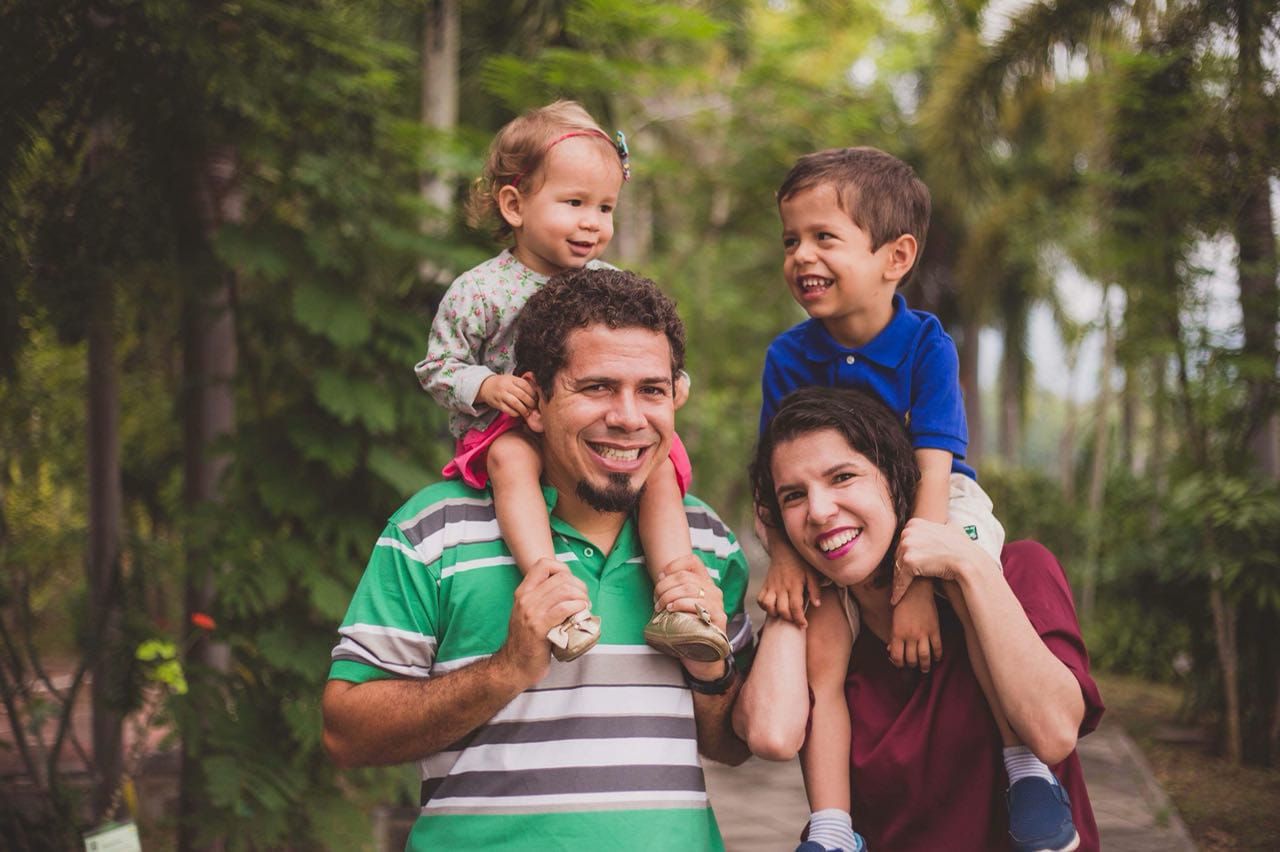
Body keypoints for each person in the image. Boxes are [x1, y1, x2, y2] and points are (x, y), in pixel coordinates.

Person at [325, 269, 754, 851]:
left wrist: (713, 671)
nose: (629, 417)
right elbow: (347, 734)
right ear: (534, 399)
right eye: (597, 387)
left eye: (650, 390)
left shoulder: (707, 541)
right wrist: (506, 669)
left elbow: (733, 744)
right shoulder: (434, 531)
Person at [753, 147, 1070, 851]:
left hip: (937, 500)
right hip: (842, 519)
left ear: (895, 256)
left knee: (974, 587)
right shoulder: (788, 356)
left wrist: (918, 587)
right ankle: (833, 827)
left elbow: (933, 467)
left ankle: (1025, 765)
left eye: (823, 237)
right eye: (791, 240)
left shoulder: (925, 343)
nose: (801, 254)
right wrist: (782, 557)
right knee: (824, 638)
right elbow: (775, 478)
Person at [414, 100, 728, 663]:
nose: (592, 222)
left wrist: (673, 381)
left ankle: (681, 598)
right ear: (515, 204)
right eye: (574, 203)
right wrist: (485, 386)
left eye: (606, 208)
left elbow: (645, 344)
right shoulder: (481, 290)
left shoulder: (610, 282)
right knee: (514, 459)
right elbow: (438, 366)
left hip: (594, 434)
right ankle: (554, 594)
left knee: (658, 465)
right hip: (509, 428)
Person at [735, 386, 1103, 851]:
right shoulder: (824, 626)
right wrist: (785, 559)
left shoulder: (1020, 571)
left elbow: (1053, 734)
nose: (819, 511)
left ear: (895, 476)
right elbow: (771, 732)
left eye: (843, 477)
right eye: (793, 496)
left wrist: (969, 567)